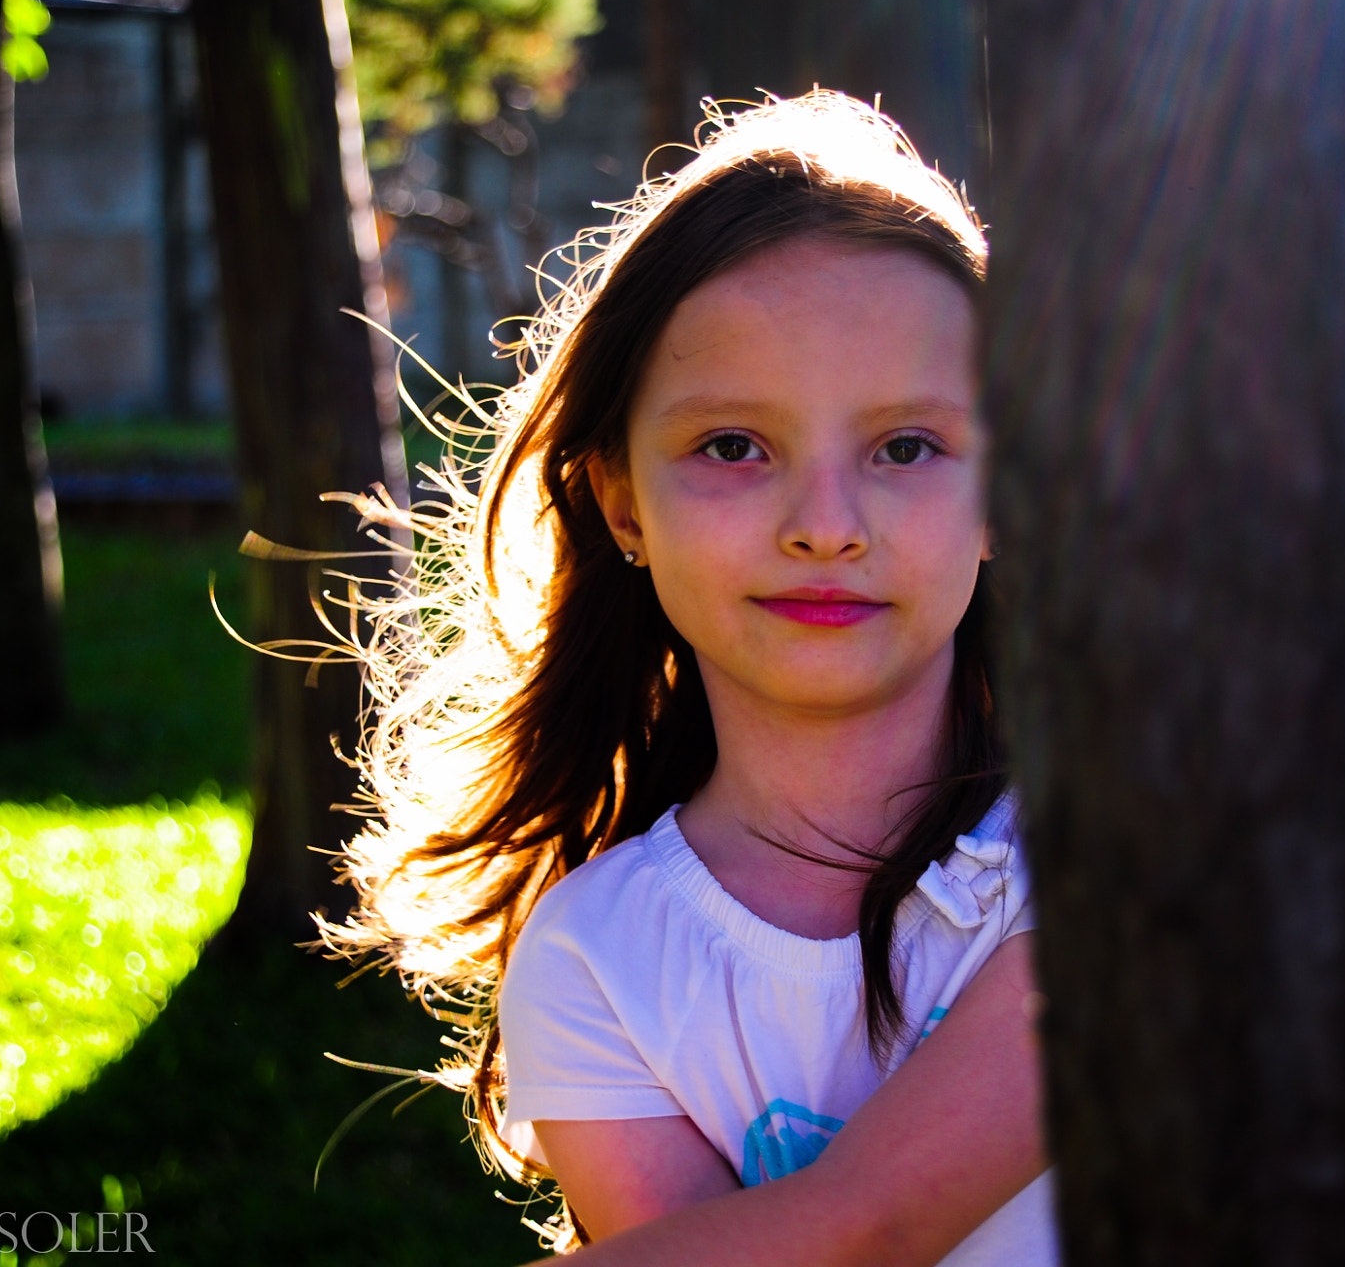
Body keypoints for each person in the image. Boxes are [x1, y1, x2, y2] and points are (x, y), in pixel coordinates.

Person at [321, 91, 1053, 1264]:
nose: (824, 526)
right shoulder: (595, 962)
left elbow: (860, 1227)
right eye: (732, 446)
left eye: (903, 446)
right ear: (620, 500)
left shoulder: (1105, 854)